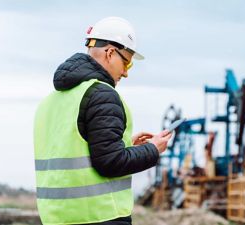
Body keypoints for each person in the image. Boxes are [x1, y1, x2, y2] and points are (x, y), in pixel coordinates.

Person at [33, 17, 172, 225]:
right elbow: (110, 162)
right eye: (127, 62)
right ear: (109, 53)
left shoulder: (49, 102)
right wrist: (153, 149)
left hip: (57, 218)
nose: (125, 72)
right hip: (101, 216)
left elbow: (78, 151)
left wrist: (126, 145)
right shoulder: (101, 95)